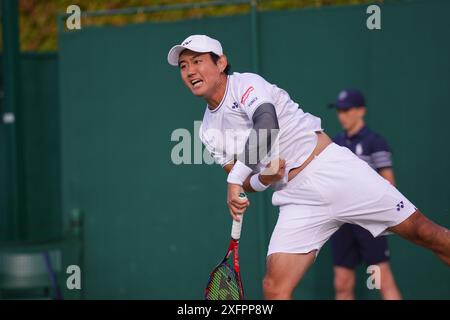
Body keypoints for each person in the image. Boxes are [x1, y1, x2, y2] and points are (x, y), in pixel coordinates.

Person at [167, 35, 450, 299]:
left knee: (426, 234)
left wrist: (237, 179)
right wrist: (264, 178)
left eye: (197, 61)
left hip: (331, 169)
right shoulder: (207, 130)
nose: (190, 71)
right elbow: (243, 183)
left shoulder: (246, 85)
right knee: (274, 288)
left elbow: (266, 126)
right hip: (296, 198)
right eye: (183, 66)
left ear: (221, 62)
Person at [329, 89, 401, 300]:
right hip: (342, 224)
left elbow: (389, 182)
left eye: (346, 110)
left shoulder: (375, 142)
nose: (342, 115)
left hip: (370, 224)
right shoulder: (335, 144)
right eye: (339, 111)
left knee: (381, 281)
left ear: (361, 111)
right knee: (342, 283)